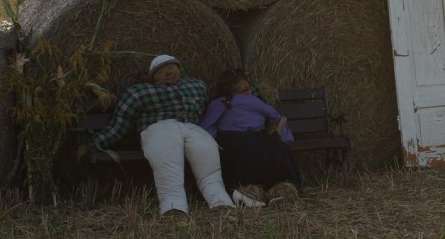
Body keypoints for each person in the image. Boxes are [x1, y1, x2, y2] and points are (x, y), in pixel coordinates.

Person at [90, 54, 234, 215]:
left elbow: (217, 103)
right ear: (153, 76)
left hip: (191, 128)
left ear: (180, 68)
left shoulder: (197, 86)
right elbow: (121, 123)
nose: (168, 72)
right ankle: (173, 205)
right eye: (161, 70)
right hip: (159, 128)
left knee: (206, 154)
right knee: (167, 160)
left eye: (172, 67)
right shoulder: (139, 92)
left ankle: (220, 201)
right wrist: (97, 142)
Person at [200, 68, 302, 206]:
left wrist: (214, 140)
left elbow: (207, 126)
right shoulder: (223, 103)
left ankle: (275, 190)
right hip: (242, 139)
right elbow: (276, 116)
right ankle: (261, 190)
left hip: (241, 139)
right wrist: (284, 137)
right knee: (268, 152)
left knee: (271, 152)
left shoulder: (239, 101)